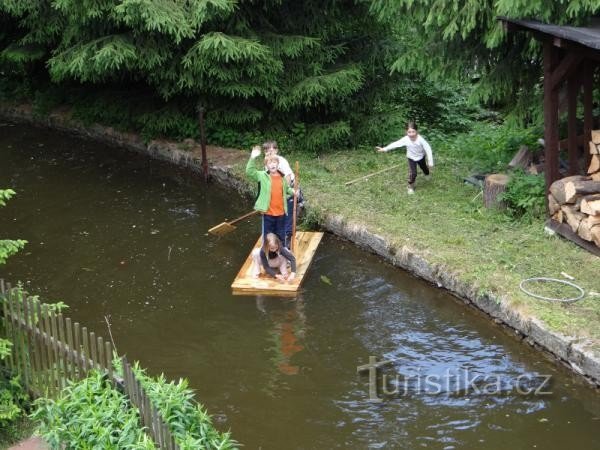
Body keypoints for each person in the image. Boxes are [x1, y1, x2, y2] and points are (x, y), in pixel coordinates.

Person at [246, 145, 295, 245]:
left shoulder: (282, 177)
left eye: (274, 162)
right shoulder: (262, 175)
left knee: (281, 236)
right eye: (269, 163)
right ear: (266, 165)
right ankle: (266, 256)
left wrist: (293, 192)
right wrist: (252, 157)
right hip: (268, 214)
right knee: (268, 237)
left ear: (277, 164)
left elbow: (286, 189)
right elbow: (249, 171)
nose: (272, 165)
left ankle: (283, 255)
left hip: (281, 213)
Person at [262, 141, 303, 248]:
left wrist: (282, 194)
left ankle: (287, 248)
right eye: (267, 151)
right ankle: (274, 247)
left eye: (271, 151)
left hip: (288, 192)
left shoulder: (282, 162)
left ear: (276, 150)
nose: (269, 153)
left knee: (287, 221)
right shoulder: (266, 163)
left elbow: (288, 179)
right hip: (276, 197)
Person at [376, 121, 434, 194]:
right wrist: (385, 149)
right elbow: (396, 144)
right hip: (411, 158)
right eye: (409, 132)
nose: (411, 134)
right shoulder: (405, 139)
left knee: (424, 168)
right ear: (406, 132)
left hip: (420, 157)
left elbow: (428, 149)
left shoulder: (420, 140)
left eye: (413, 132)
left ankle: (427, 174)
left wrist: (430, 162)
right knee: (413, 173)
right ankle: (410, 186)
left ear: (417, 131)